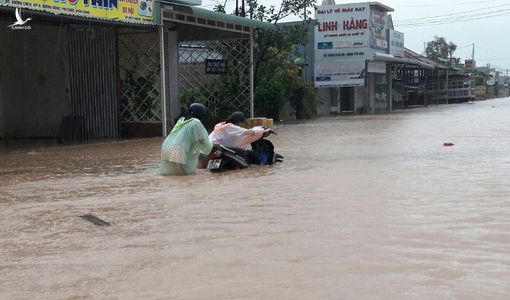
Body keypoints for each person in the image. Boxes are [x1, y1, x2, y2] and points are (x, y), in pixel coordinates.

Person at [159, 103, 213, 175]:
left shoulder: (182, 120)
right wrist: (212, 148)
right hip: (178, 151)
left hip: (166, 148)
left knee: (170, 176)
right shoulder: (195, 122)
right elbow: (203, 142)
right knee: (181, 178)